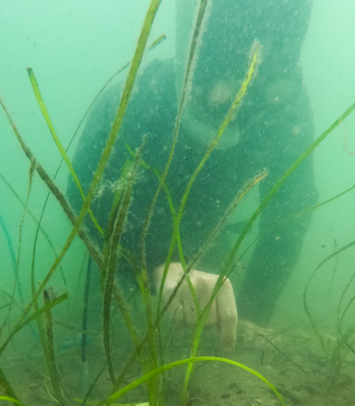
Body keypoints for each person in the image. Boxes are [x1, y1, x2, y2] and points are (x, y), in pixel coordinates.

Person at [68, 0, 316, 340]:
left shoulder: (285, 111)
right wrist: (154, 264)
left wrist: (253, 315)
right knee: (109, 319)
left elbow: (290, 214)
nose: (233, 104)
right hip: (130, 245)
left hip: (207, 243)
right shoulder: (143, 97)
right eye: (222, 84)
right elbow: (83, 192)